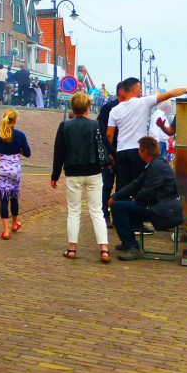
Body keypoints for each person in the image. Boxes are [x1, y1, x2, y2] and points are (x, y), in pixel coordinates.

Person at [106, 78, 187, 191]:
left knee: (122, 186)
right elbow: (169, 94)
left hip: (121, 151)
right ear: (133, 89)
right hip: (138, 150)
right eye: (140, 88)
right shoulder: (143, 102)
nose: (141, 90)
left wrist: (110, 153)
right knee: (138, 185)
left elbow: (109, 134)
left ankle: (119, 206)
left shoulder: (114, 110)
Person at [52, 92, 110, 263]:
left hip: (73, 172)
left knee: (74, 211)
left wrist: (55, 175)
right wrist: (113, 160)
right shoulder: (97, 125)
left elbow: (59, 153)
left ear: (73, 108)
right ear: (87, 108)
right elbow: (106, 145)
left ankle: (72, 248)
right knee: (97, 211)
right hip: (94, 172)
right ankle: (104, 250)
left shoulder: (64, 126)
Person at [108, 137, 184, 261]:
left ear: (145, 151)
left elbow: (147, 192)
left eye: (139, 150)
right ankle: (129, 241)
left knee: (118, 207)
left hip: (160, 209)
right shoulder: (156, 163)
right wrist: (115, 196)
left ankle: (131, 247)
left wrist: (133, 200)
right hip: (157, 204)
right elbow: (135, 184)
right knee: (122, 203)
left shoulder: (156, 167)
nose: (138, 152)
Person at [0, 108, 32, 240]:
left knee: (3, 199)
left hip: (2, 169)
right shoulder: (20, 135)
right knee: (14, 197)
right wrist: (18, 150)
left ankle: (6, 231)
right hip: (15, 170)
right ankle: (14, 224)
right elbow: (28, 153)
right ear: (15, 120)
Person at [97, 82, 124, 228]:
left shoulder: (129, 108)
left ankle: (118, 215)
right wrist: (108, 153)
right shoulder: (109, 107)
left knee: (121, 186)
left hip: (123, 152)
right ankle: (104, 214)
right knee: (107, 184)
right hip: (110, 152)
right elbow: (101, 131)